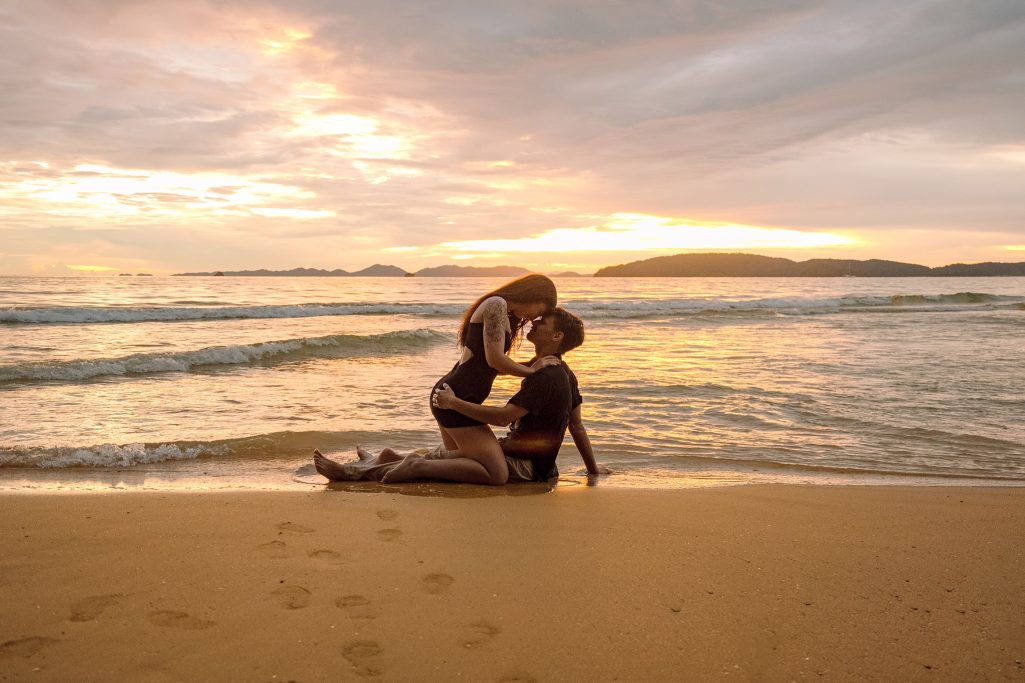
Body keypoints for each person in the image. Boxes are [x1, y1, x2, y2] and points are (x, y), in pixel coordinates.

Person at [313, 307, 607, 483]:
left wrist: (455, 403)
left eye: (544, 322)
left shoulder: (546, 376)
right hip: (536, 464)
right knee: (448, 458)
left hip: (524, 467)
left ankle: (357, 473)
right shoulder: (563, 372)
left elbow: (504, 418)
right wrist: (592, 471)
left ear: (557, 337)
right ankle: (387, 459)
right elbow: (577, 426)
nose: (535, 322)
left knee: (435, 467)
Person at [419, 274, 560, 485]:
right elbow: (495, 360)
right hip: (456, 397)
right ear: (532, 294)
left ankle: (387, 460)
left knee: (458, 463)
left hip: (456, 396)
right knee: (497, 475)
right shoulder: (496, 304)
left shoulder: (505, 313)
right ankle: (415, 465)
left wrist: (530, 366)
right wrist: (533, 371)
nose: (532, 318)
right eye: (538, 311)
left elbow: (490, 367)